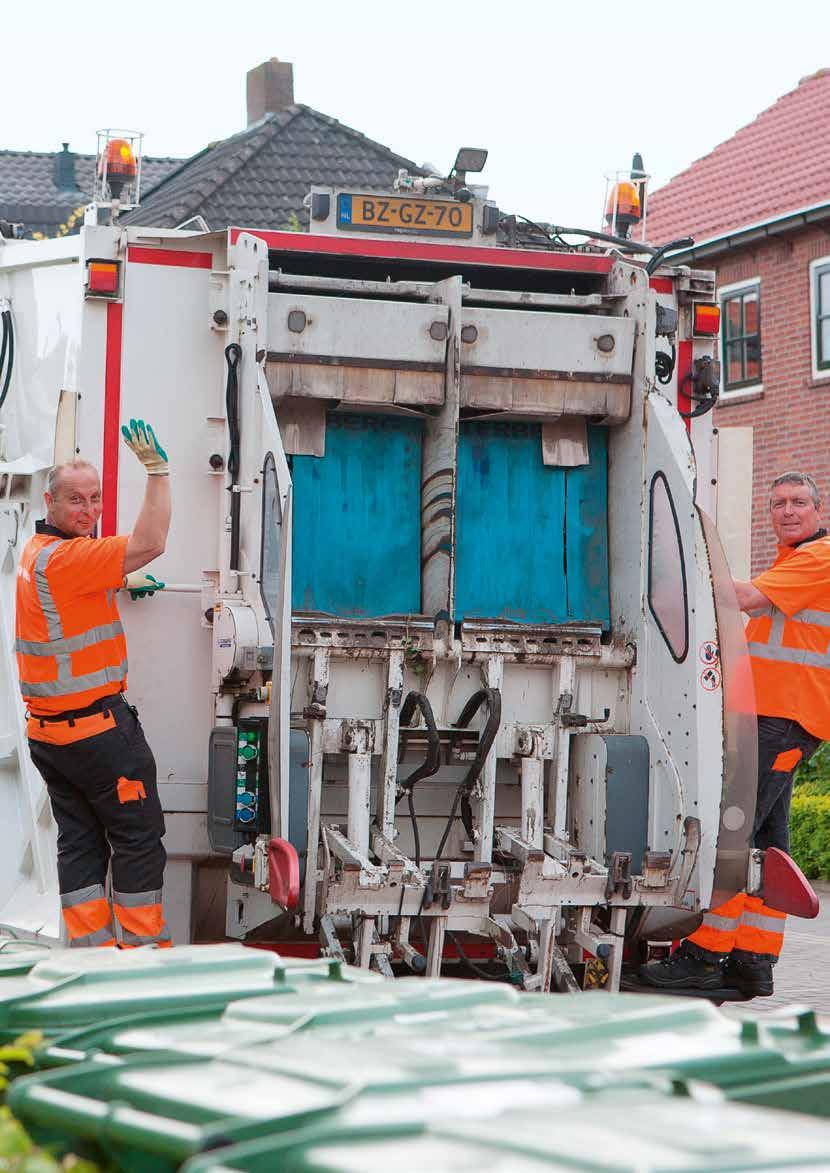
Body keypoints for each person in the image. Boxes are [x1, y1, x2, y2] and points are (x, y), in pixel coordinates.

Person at [641, 471, 829, 997]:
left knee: (733, 837)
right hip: (781, 720)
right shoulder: (794, 562)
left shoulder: (819, 559)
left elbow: (741, 598)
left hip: (782, 719)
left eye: (798, 502)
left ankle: (703, 957)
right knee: (766, 842)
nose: (788, 511)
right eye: (778, 503)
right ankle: (753, 963)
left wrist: (679, 571)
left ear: (819, 511)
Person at [15, 420, 172, 948]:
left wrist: (120, 579)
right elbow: (151, 541)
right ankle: (142, 955)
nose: (89, 512)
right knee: (137, 836)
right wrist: (157, 472)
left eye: (96, 499)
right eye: (76, 501)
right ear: (51, 502)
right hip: (98, 734)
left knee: (80, 843)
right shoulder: (73, 558)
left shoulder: (36, 552)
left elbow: (66, 601)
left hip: (49, 736)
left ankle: (91, 958)